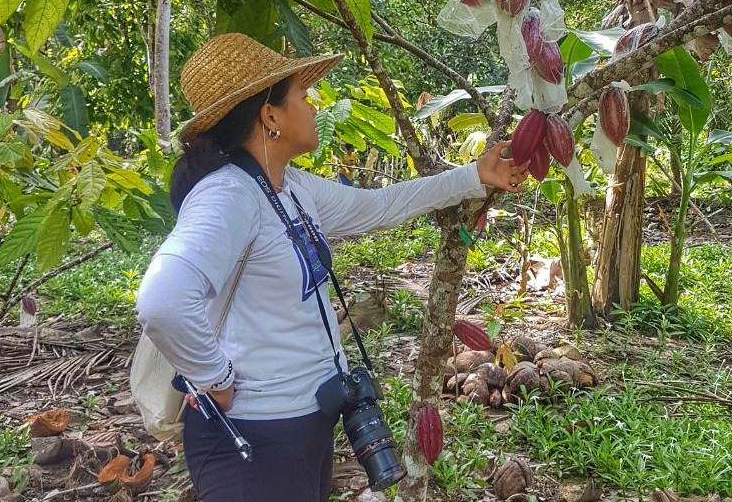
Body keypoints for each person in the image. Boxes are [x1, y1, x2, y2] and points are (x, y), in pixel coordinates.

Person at [135, 33, 527, 502]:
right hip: (255, 435)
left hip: (303, 423)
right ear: (270, 115)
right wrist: (215, 380)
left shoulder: (290, 188)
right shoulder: (229, 196)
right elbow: (162, 301)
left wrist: (473, 176)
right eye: (302, 95)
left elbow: (379, 205)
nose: (313, 104)